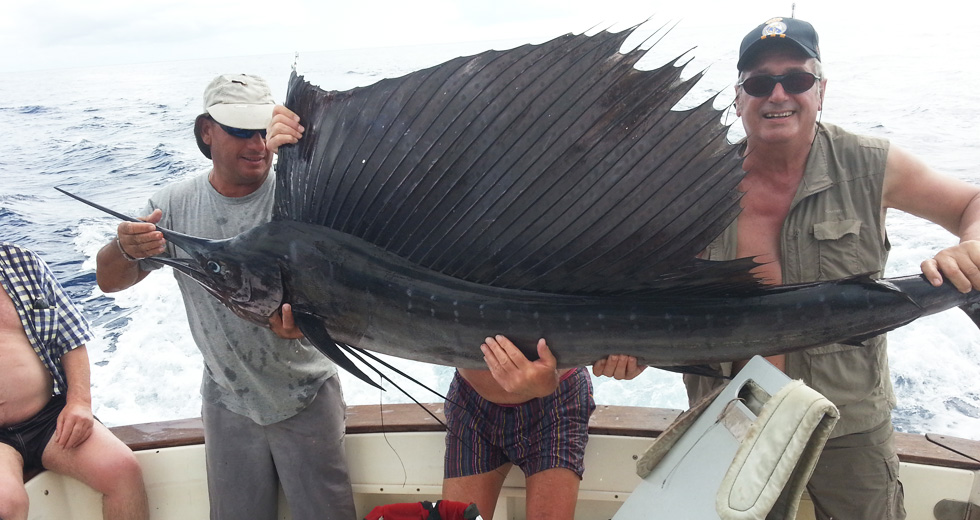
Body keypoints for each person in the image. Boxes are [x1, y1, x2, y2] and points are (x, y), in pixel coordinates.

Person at [268, 106, 647, 520]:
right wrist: (289, 158)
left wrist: (618, 363)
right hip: (474, 405)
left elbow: (619, 307)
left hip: (555, 406)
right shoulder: (445, 218)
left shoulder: (556, 220)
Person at [681, 17, 980, 520]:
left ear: (821, 90)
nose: (777, 94)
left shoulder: (871, 164)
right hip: (732, 420)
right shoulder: (691, 188)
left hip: (849, 425)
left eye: (795, 79)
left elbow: (971, 202)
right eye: (758, 83)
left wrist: (970, 247)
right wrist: (623, 354)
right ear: (738, 98)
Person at [95, 74, 356, 520]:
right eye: (239, 131)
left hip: (306, 395)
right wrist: (125, 248)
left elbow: (345, 300)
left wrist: (308, 328)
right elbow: (109, 280)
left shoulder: (300, 198)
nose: (256, 145)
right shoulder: (172, 205)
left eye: (262, 131)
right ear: (207, 131)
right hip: (227, 399)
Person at [0, 242, 149, 520]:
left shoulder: (21, 261)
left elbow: (72, 337)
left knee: (121, 469)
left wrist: (79, 402)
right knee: (5, 505)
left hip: (49, 418)